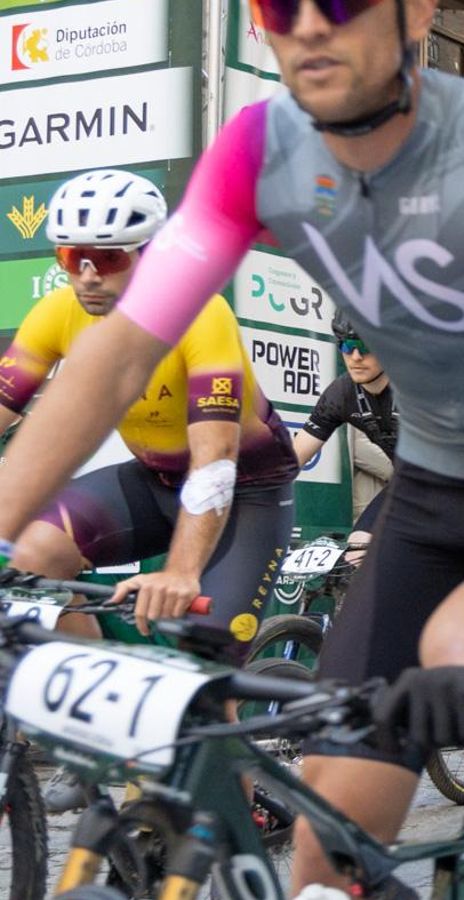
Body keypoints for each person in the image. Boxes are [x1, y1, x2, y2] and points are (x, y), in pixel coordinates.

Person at [0, 2, 464, 895]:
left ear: (418, 12)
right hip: (436, 486)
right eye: (283, 5)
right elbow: (116, 359)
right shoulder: (258, 150)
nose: (312, 25)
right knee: (329, 859)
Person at [2, 168, 300, 812]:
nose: (86, 274)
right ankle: (100, 736)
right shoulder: (58, 312)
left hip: (245, 491)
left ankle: (236, 814)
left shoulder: (201, 311)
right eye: (69, 256)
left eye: (105, 258)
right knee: (32, 559)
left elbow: (216, 460)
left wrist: (184, 570)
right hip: (155, 479)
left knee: (203, 668)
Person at [294, 311, 398, 543]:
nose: (356, 356)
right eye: (347, 346)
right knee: (358, 546)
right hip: (407, 486)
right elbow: (291, 461)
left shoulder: (418, 385)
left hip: (463, 486)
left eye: (365, 345)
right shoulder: (341, 394)